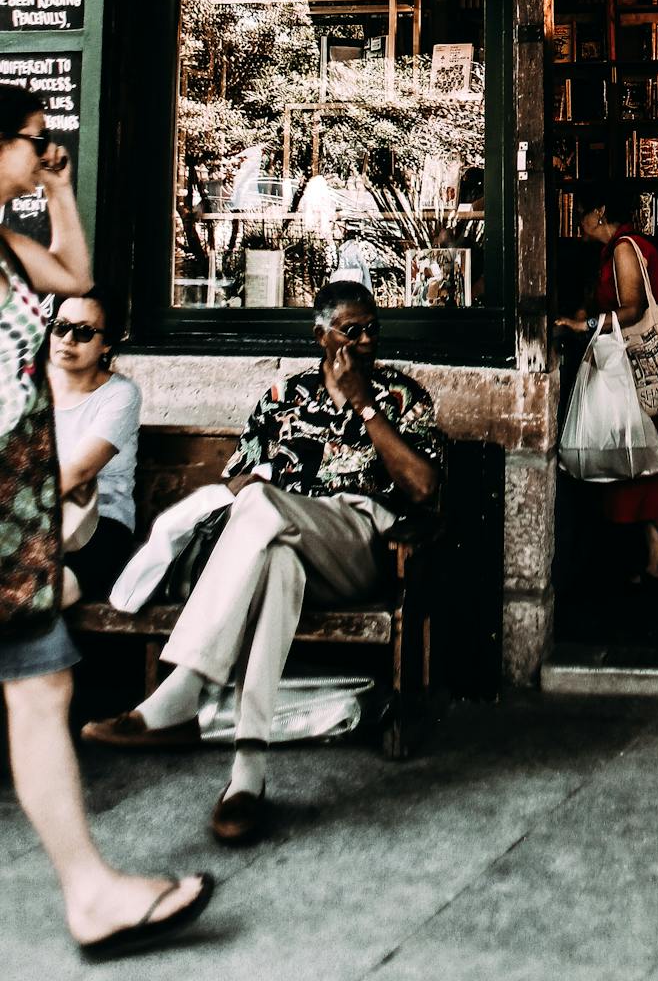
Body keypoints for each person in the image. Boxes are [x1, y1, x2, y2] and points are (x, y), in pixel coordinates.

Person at [84, 279, 440, 847]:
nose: (368, 338)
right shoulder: (283, 395)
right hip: (283, 539)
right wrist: (259, 484)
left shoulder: (402, 397)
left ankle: (185, 688)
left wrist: (362, 404)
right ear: (321, 335)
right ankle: (246, 778)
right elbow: (235, 477)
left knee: (260, 509)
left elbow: (422, 488)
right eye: (353, 329)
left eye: (374, 327)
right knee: (274, 559)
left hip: (357, 545)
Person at [0, 81, 214, 959]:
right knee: (38, 686)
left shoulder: (10, 245)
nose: (46, 150)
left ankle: (89, 893)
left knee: (42, 685)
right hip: (8, 505)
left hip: (18, 510)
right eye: (34, 140)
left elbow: (76, 277)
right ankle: (90, 893)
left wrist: (57, 188)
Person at [557, 187, 658, 581]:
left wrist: (586, 325)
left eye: (581, 211)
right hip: (638, 370)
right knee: (642, 460)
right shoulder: (625, 247)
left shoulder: (623, 249)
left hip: (633, 370)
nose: (577, 221)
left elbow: (633, 308)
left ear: (599, 210)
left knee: (637, 458)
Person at [49, 289, 142, 604]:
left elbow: (79, 471)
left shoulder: (120, 395)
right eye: (60, 326)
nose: (68, 339)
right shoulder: (29, 388)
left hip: (95, 525)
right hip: (31, 519)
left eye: (84, 332)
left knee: (43, 594)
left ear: (106, 344)